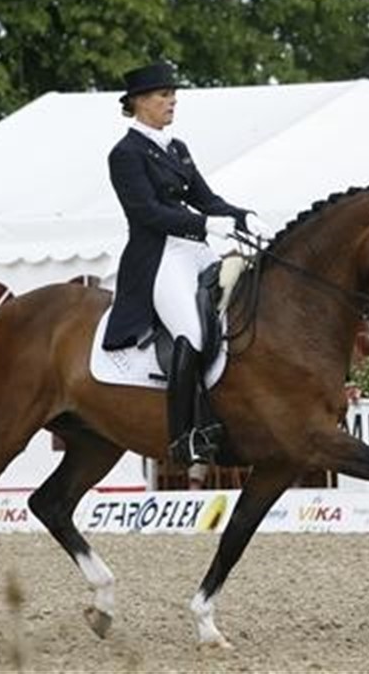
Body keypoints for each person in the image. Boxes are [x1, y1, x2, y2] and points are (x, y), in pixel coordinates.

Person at [102, 61, 270, 466]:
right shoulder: (125, 154)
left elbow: (206, 199)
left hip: (195, 250)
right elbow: (146, 212)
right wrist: (205, 224)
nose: (172, 101)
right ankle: (184, 437)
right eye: (164, 95)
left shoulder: (177, 148)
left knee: (238, 311)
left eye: (173, 94)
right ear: (139, 102)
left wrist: (244, 217)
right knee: (192, 333)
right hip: (159, 256)